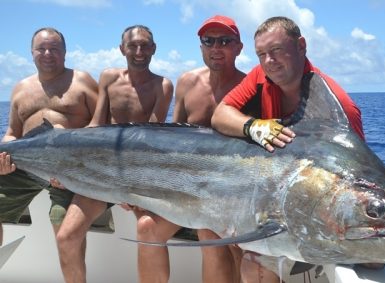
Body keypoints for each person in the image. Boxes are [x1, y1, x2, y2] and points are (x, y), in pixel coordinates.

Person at [211, 16, 366, 282]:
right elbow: (220, 115)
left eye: (277, 50)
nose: (269, 61)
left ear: (301, 46)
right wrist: (252, 126)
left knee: (255, 266)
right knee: (215, 232)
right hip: (273, 201)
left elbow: (356, 179)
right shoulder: (261, 74)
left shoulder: (341, 107)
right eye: (262, 54)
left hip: (314, 215)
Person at [55, 25, 173, 283]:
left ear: (154, 49)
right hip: (101, 173)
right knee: (66, 237)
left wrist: (128, 187)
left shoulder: (162, 86)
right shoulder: (108, 76)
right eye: (133, 46)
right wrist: (63, 151)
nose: (139, 51)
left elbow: (148, 143)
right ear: (122, 49)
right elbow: (96, 126)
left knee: (150, 235)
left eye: (145, 45)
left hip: (139, 177)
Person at [133, 15, 246, 283]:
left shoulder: (250, 87)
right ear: (201, 47)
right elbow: (172, 142)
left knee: (209, 232)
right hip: (185, 189)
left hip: (230, 192)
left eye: (225, 41)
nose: (216, 47)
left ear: (239, 48)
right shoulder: (186, 82)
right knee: (147, 227)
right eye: (209, 41)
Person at [0, 27, 98, 247]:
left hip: (70, 172)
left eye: (54, 48)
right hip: (26, 167)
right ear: (31, 52)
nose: (47, 54)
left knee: (63, 229)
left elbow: (102, 125)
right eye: (41, 49)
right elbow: (12, 134)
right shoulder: (20, 88)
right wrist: (3, 160)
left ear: (65, 52)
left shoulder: (82, 81)